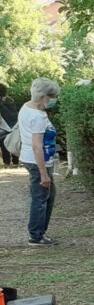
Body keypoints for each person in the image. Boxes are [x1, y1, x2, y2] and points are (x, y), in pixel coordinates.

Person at [19, 77, 61, 245]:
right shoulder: (38, 116)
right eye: (53, 97)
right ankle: (36, 236)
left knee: (47, 195)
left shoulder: (26, 107)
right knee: (41, 197)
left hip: (33, 158)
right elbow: (37, 146)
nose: (54, 100)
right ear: (44, 97)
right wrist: (44, 173)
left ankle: (39, 232)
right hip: (38, 161)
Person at [0, 82, 19, 165]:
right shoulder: (10, 99)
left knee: (4, 143)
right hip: (14, 124)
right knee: (13, 142)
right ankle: (15, 161)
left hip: (4, 126)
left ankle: (7, 162)